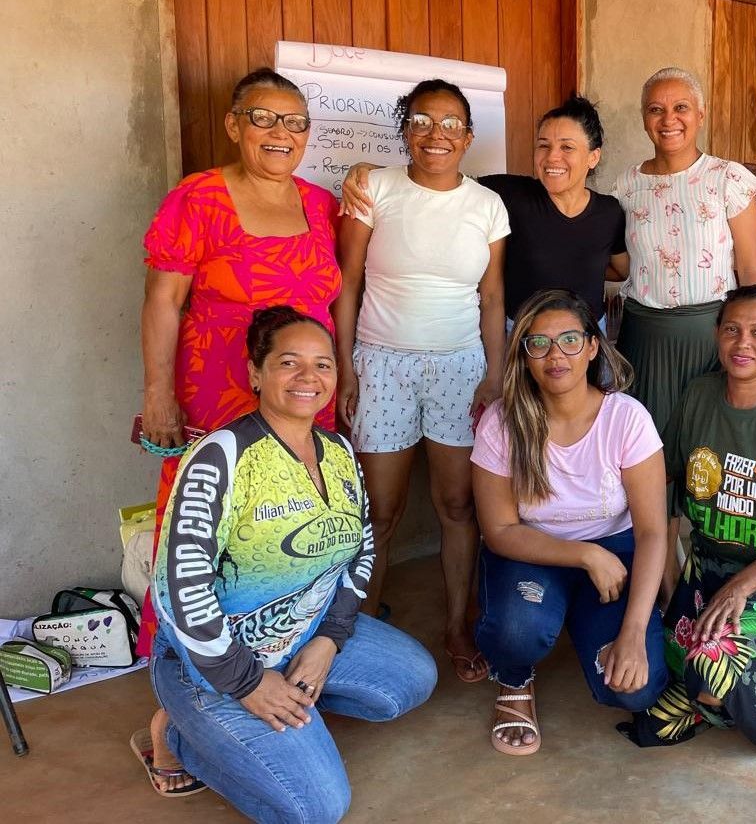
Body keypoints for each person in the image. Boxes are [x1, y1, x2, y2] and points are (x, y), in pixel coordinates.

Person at [141, 307, 436, 822]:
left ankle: (281, 715)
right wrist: (250, 682)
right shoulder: (221, 456)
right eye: (289, 362)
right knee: (316, 808)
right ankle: (179, 734)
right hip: (214, 660)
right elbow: (180, 587)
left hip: (304, 633)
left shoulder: (340, 451)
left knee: (410, 680)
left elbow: (361, 551)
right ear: (256, 373)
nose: (309, 378)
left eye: (324, 365)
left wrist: (328, 640)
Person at [135, 68, 342, 791]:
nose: (281, 134)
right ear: (233, 125)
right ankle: (171, 719)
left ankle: (264, 674)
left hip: (301, 398)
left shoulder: (322, 205)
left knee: (275, 540)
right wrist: (157, 391)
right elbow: (164, 301)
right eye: (264, 118)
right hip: (217, 397)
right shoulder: (199, 197)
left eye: (294, 122)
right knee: (197, 548)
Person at [333, 78, 509, 682]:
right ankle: (359, 631)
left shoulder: (486, 205)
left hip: (460, 366)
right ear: (405, 129)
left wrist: (495, 371)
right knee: (379, 509)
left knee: (458, 504)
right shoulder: (374, 188)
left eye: (451, 123)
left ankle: (458, 624)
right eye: (423, 121)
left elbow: (491, 296)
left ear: (468, 135)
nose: (437, 134)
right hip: (381, 362)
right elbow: (348, 283)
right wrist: (347, 364)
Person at [620, 286, 756, 752]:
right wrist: (664, 574)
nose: (743, 344)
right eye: (732, 330)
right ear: (717, 336)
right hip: (708, 569)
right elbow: (663, 483)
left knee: (715, 666)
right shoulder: (697, 395)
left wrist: (755, 590)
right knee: (661, 685)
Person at [470, 289, 668, 755]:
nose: (555, 355)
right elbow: (499, 531)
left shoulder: (626, 418)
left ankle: (603, 623)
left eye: (570, 340)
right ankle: (515, 678)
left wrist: (633, 632)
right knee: (516, 631)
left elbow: (653, 532)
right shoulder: (502, 421)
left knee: (633, 691)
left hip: (617, 555)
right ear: (523, 354)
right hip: (532, 554)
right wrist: (584, 554)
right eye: (538, 343)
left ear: (593, 346)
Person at [613, 66, 756, 596]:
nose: (669, 119)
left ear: (701, 116)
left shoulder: (729, 179)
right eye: (656, 109)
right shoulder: (627, 185)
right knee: (651, 459)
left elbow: (752, 272)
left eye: (681, 108)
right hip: (645, 335)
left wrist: (755, 348)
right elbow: (617, 262)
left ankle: (715, 576)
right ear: (644, 119)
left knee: (711, 455)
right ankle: (666, 585)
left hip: (712, 335)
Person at [342, 95, 629, 330]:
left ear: (594, 156)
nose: (552, 157)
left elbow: (618, 269)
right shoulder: (508, 193)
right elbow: (440, 177)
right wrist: (370, 170)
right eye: (544, 145)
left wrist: (573, 265)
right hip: (519, 335)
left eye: (567, 147)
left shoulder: (609, 211)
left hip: (589, 337)